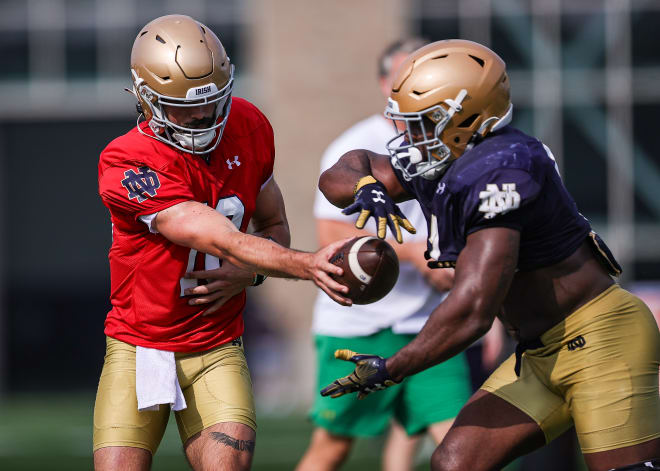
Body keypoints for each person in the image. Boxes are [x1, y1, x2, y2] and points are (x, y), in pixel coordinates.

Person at [318, 39, 660, 471]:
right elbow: (347, 167)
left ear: (463, 119)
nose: (406, 137)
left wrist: (393, 367)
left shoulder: (502, 170)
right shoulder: (448, 156)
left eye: (420, 123)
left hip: (602, 340)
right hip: (539, 351)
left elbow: (473, 308)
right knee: (455, 463)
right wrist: (365, 187)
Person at [93, 15, 350, 471]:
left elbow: (273, 224)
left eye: (212, 102)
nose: (201, 117)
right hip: (138, 347)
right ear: (146, 99)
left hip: (216, 347)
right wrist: (309, 264)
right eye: (182, 106)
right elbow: (210, 232)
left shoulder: (249, 125)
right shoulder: (126, 160)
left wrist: (250, 272)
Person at [296, 39, 472, 471]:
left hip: (430, 325)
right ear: (383, 83)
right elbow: (331, 234)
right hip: (359, 324)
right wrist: (413, 255)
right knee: (332, 447)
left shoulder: (454, 141)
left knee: (463, 450)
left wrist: (457, 265)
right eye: (403, 77)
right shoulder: (358, 143)